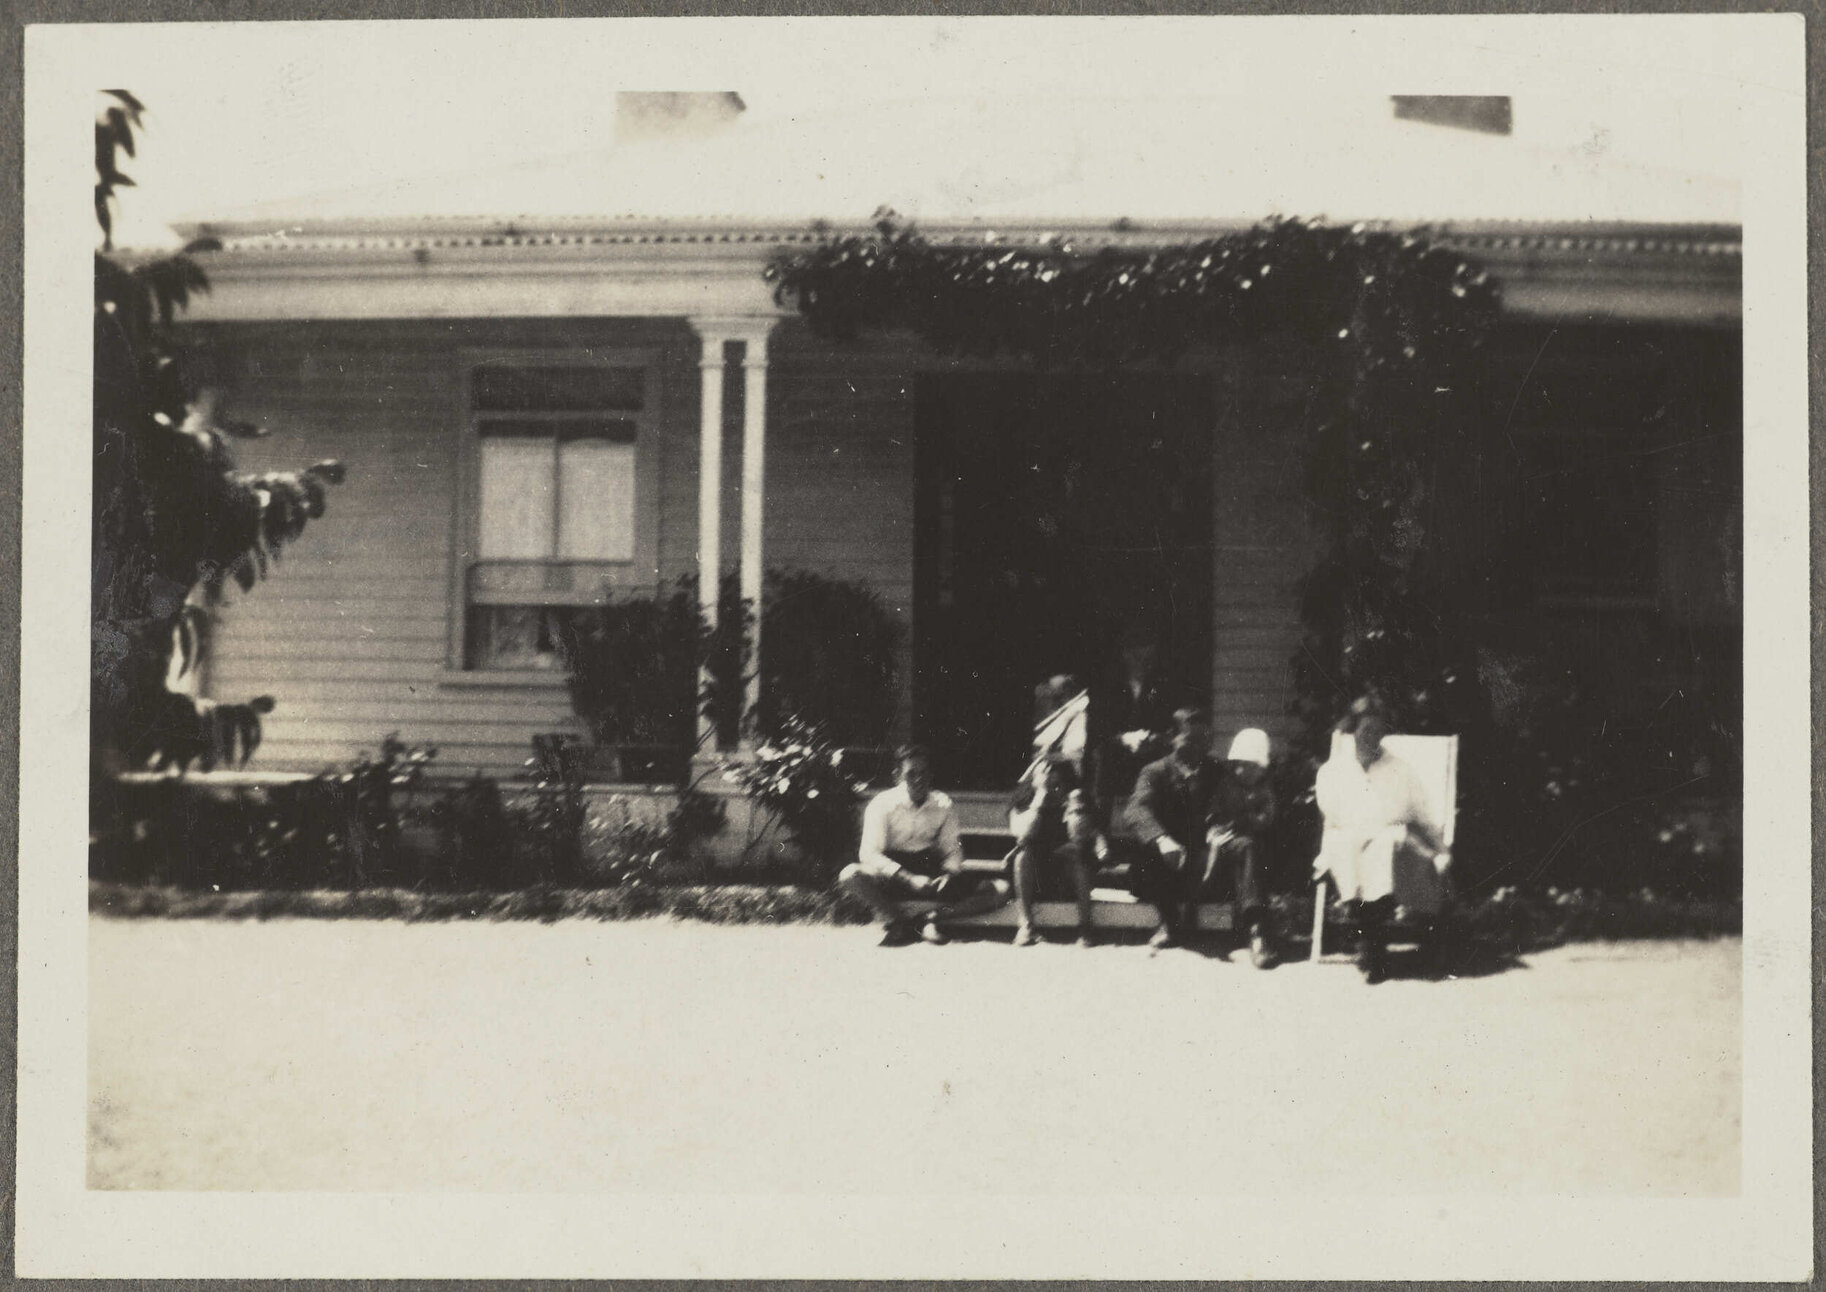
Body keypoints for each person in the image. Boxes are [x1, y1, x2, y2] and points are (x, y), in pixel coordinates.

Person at [1313, 701, 1450, 982]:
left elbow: (1423, 816)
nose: (1371, 736)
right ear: (1352, 731)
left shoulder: (1401, 769)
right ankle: (1372, 945)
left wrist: (1441, 849)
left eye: (1378, 730)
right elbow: (1332, 819)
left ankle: (1371, 946)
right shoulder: (1333, 771)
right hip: (1348, 839)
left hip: (1392, 841)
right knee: (1351, 847)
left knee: (1384, 846)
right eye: (1366, 729)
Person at [838, 746, 1011, 947]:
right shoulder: (882, 804)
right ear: (897, 776)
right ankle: (901, 920)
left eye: (923, 773)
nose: (919, 780)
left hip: (930, 870)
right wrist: (909, 878)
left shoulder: (942, 803)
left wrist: (948, 875)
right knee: (850, 875)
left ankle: (930, 918)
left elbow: (952, 848)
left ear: (931, 775)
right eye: (911, 774)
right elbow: (869, 853)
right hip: (894, 871)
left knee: (1001, 889)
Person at [1122, 708, 1223, 950]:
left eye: (1203, 740)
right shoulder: (1154, 771)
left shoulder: (1216, 770)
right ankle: (1168, 921)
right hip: (1165, 860)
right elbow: (1135, 810)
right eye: (1190, 740)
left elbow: (1226, 807)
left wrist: (1216, 834)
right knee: (1149, 849)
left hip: (1203, 856)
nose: (1198, 748)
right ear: (1171, 738)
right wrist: (1162, 839)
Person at [1007, 755, 1099, 947]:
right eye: (1047, 783)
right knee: (1023, 856)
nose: (1052, 789)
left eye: (1057, 784)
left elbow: (1083, 838)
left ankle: (1085, 927)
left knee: (1078, 858)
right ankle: (1026, 925)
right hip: (1033, 881)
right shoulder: (1022, 803)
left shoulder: (1075, 803)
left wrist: (1073, 812)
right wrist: (1040, 798)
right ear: (1035, 783)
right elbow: (1023, 834)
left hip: (1066, 879)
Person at [1208, 727, 1278, 968]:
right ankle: (1256, 929)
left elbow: (1267, 819)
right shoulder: (1226, 785)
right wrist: (1218, 827)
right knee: (1246, 848)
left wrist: (1246, 819)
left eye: (1249, 765)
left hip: (1257, 846)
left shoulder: (1265, 789)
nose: (1242, 770)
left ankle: (1254, 928)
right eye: (1238, 764)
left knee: (1250, 849)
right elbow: (1214, 815)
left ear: (1261, 767)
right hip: (1228, 845)